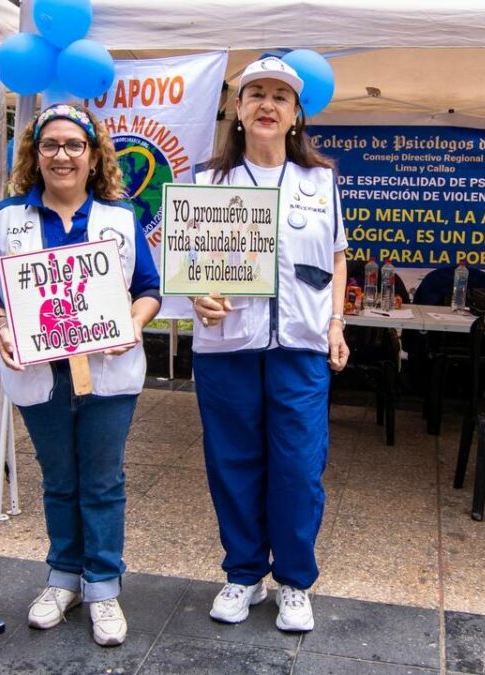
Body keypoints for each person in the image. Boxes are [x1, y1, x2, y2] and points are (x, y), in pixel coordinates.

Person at [0, 102, 161, 646]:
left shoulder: (121, 220)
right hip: (37, 374)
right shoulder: (9, 218)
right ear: (35, 153)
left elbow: (149, 289)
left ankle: (102, 585)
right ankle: (61, 578)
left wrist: (133, 322)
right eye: (50, 145)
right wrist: (1, 319)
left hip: (108, 373)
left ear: (94, 155)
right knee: (59, 481)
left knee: (102, 482)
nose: (62, 155)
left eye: (74, 145)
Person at [190, 56, 349, 633]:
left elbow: (336, 252)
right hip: (226, 345)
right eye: (255, 93)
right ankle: (243, 574)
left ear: (295, 115)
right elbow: (185, 265)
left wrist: (335, 323)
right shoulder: (206, 182)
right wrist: (197, 299)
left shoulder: (320, 181)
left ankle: (296, 583)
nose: (267, 104)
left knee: (300, 469)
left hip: (302, 346)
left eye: (280, 97)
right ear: (237, 109)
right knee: (233, 463)